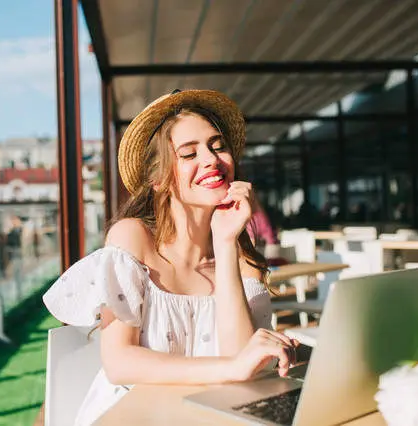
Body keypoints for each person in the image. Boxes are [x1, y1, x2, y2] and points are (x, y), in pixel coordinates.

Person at [42, 89, 298, 426]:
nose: (211, 159)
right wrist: (232, 369)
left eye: (217, 146)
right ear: (159, 178)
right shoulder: (132, 237)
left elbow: (242, 366)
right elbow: (120, 363)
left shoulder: (239, 255)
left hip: (210, 417)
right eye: (189, 154)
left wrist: (224, 242)